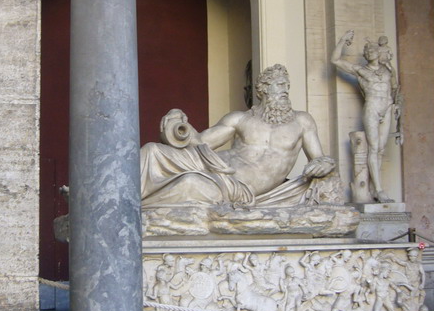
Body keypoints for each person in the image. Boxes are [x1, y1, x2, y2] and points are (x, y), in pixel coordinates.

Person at [140, 63, 335, 206]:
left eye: (287, 85)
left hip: (237, 186)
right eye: (280, 85)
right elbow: (199, 141)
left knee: (189, 183)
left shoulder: (301, 121)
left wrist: (324, 164)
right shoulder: (240, 119)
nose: (286, 90)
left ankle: (133, 209)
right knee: (151, 151)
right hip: (213, 164)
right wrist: (177, 119)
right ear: (263, 89)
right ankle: (118, 204)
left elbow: (319, 159)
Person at [331, 30, 400, 203]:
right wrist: (342, 41)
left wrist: (397, 106)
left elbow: (395, 88)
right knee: (374, 148)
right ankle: (378, 189)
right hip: (372, 107)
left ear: (378, 53)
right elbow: (335, 61)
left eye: (373, 50)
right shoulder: (361, 71)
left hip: (387, 106)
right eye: (367, 51)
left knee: (381, 149)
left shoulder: (387, 70)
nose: (370, 53)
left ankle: (373, 188)